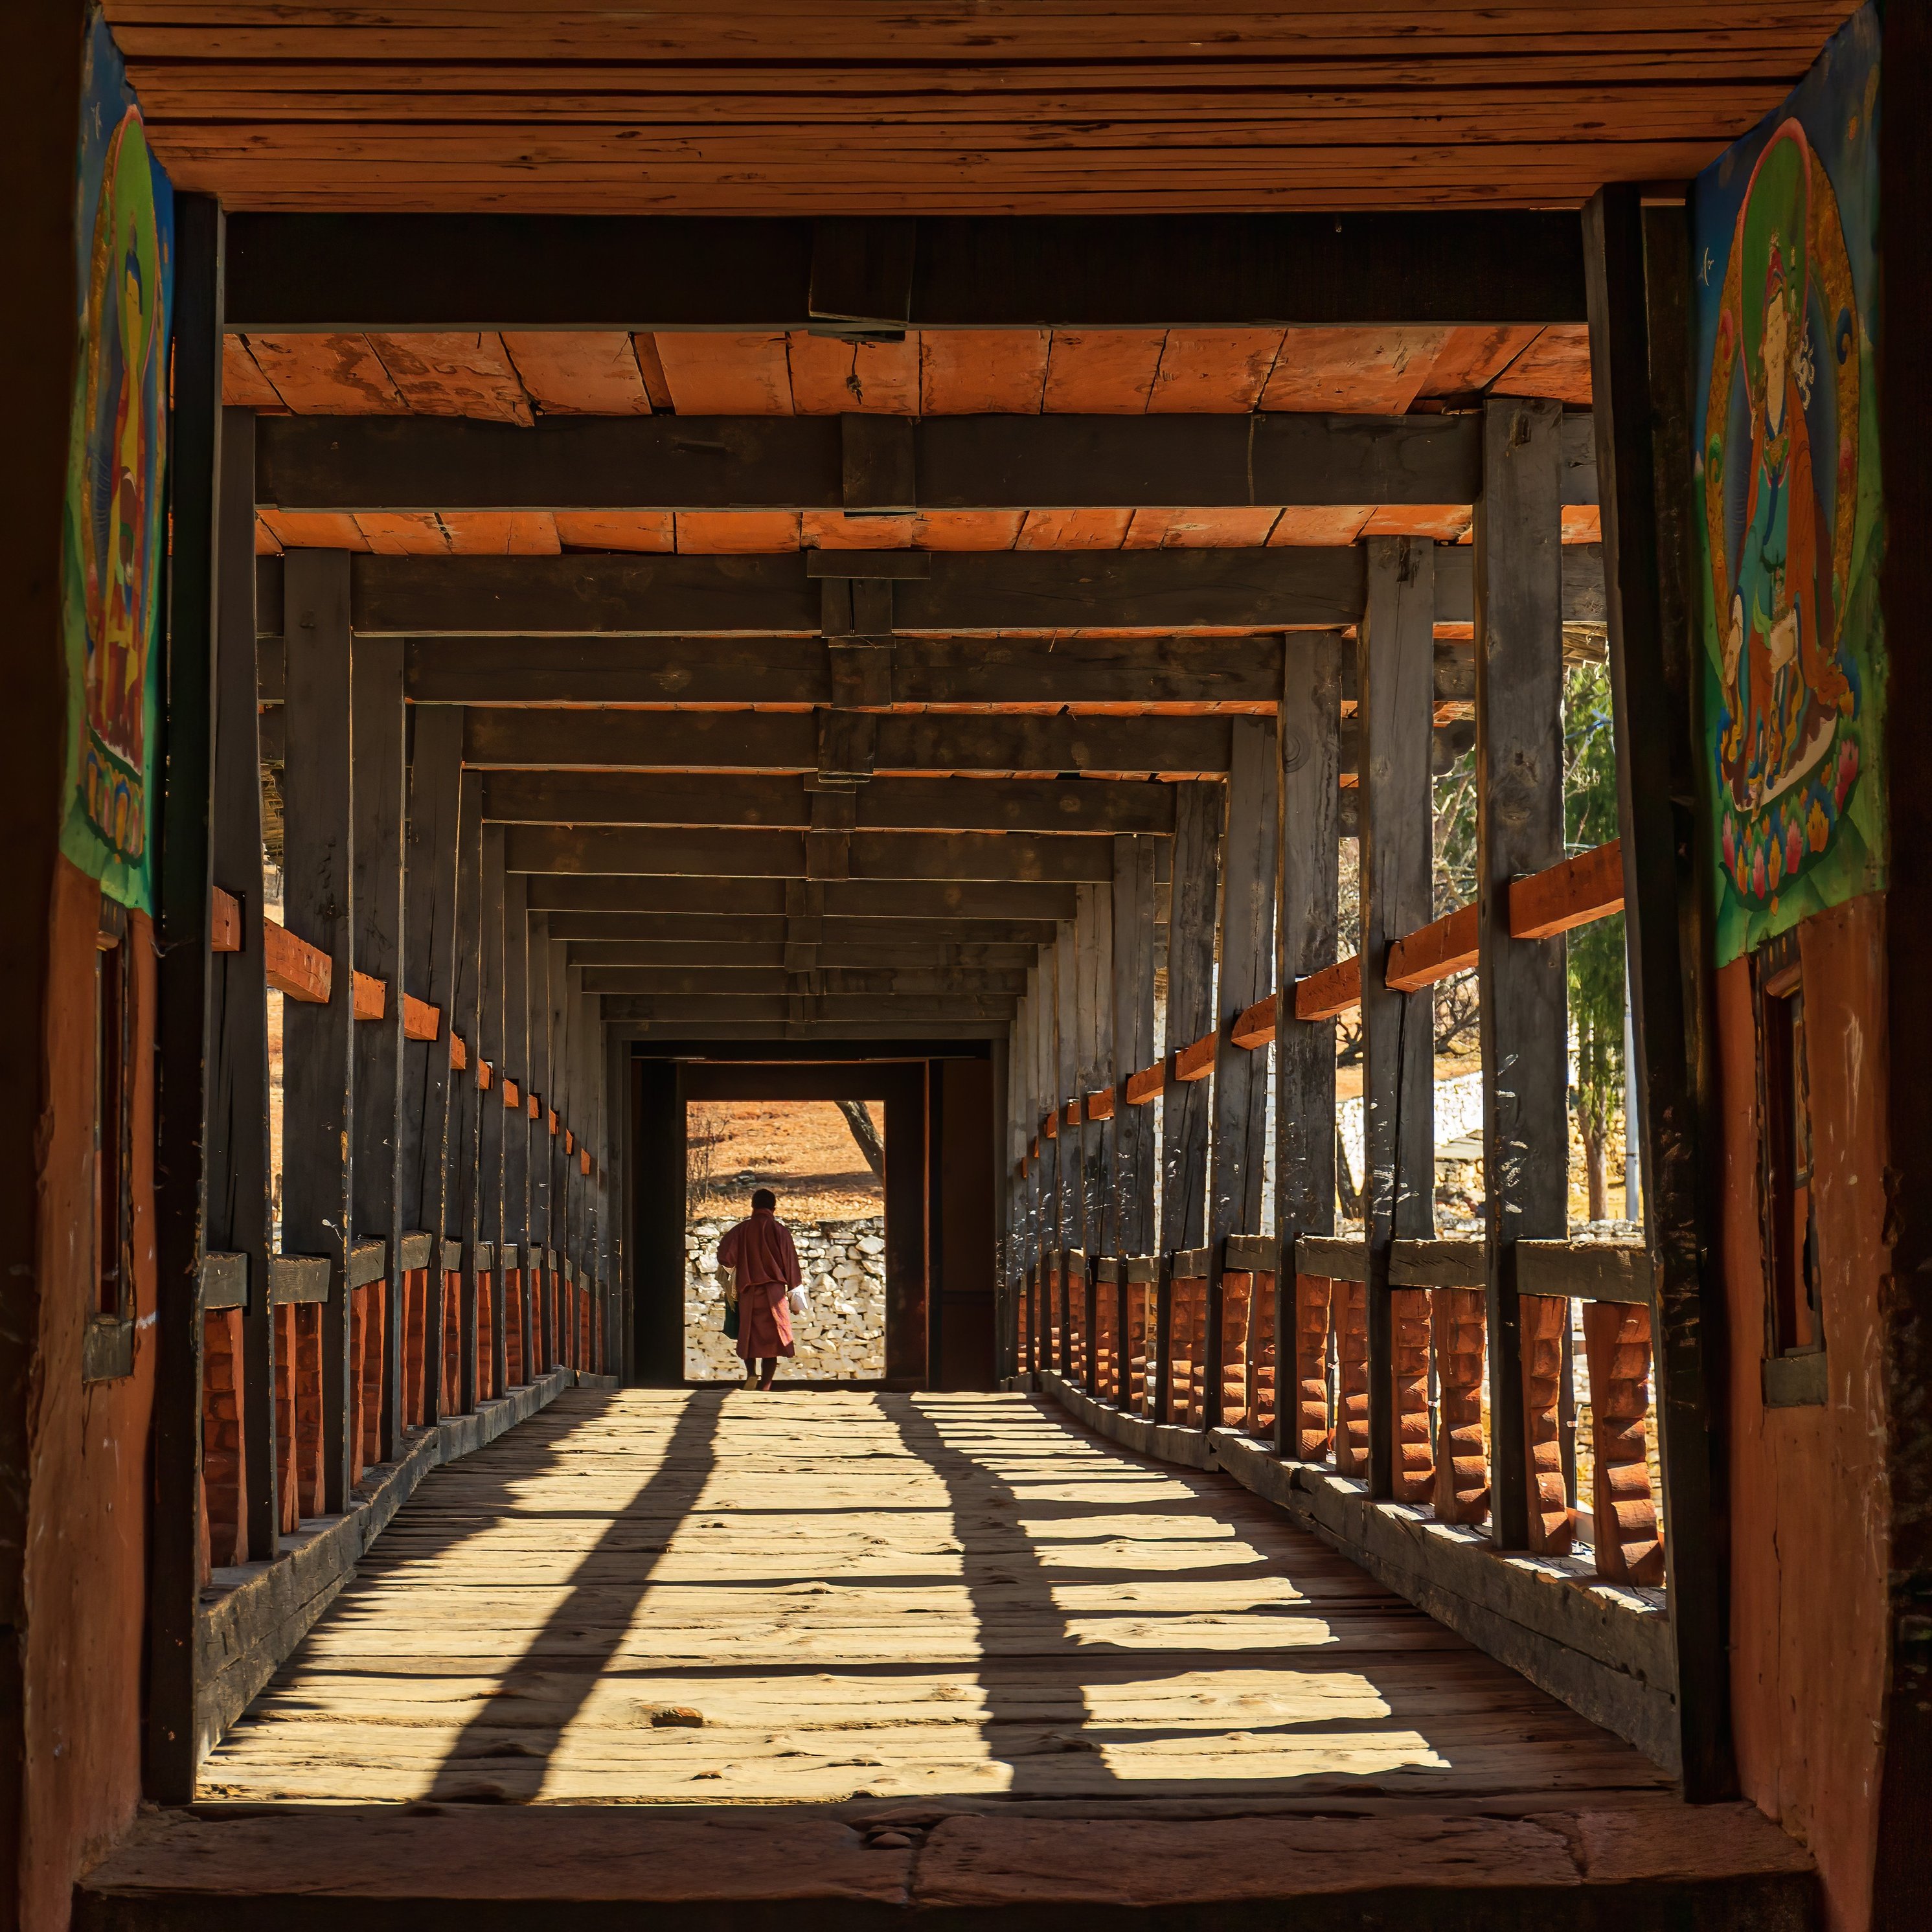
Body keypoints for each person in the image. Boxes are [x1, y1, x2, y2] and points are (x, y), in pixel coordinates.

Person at [716, 1188, 801, 1390]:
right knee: (772, 1341)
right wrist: (795, 1300)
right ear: (774, 1208)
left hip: (748, 1292)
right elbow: (792, 1266)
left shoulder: (741, 1229)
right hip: (775, 1294)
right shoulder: (780, 1231)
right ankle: (766, 1385)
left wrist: (732, 1268)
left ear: (753, 1207)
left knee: (749, 1336)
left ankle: (751, 1373)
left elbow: (726, 1257)